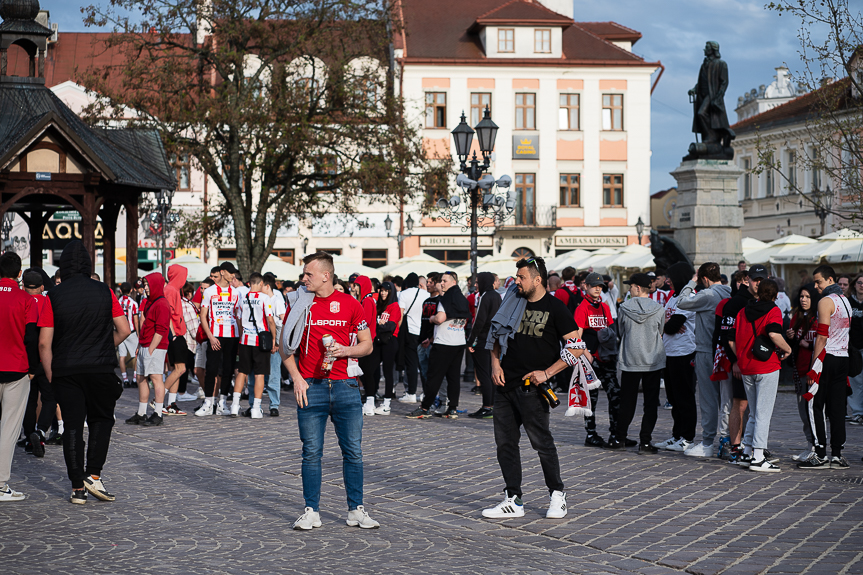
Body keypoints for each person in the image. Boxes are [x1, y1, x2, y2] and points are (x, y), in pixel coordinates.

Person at [280, 252, 378, 530]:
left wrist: (344, 351)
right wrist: (297, 379)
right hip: (312, 386)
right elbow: (284, 347)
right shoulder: (300, 304)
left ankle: (355, 510)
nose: (303, 278)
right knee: (311, 452)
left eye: (308, 274)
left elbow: (367, 344)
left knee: (353, 451)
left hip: (345, 386)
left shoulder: (350, 304)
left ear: (326, 275)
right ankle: (311, 511)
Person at [481, 256, 580, 519]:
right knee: (505, 444)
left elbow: (577, 347)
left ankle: (557, 494)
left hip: (533, 388)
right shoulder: (513, 302)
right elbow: (496, 336)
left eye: (522, 277)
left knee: (542, 443)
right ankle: (513, 499)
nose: (516, 282)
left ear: (538, 280)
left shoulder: (556, 308)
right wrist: (495, 365)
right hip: (505, 384)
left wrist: (547, 373)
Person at [39, 240, 131, 504]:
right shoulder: (105, 291)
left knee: (72, 426)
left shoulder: (54, 296)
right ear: (89, 263)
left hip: (66, 369)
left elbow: (44, 342)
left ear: (63, 265)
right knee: (102, 420)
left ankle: (77, 487)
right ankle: (94, 474)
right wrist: (104, 346)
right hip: (100, 367)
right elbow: (124, 330)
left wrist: (50, 373)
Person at [727, 279, 791, 472]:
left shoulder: (742, 311)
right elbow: (773, 334)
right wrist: (787, 349)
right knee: (763, 413)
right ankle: (758, 456)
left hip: (746, 366)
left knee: (754, 412)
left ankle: (747, 452)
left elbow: (730, 338)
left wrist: (739, 355)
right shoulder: (773, 310)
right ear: (775, 295)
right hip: (766, 365)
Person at [798, 265, 851, 470]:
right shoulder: (845, 300)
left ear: (830, 280)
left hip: (826, 357)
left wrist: (813, 367)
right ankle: (837, 454)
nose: (816, 285)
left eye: (819, 281)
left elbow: (821, 336)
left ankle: (820, 453)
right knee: (837, 407)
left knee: (814, 404)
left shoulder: (825, 301)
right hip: (842, 358)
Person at [676, 262, 732, 457]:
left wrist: (691, 283)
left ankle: (708, 442)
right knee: (726, 400)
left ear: (705, 279)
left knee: (708, 399)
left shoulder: (708, 295)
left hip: (707, 350)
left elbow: (681, 302)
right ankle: (728, 441)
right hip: (725, 351)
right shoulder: (729, 292)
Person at [0, 252, 38, 501]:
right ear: (18, 273)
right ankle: (1, 485)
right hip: (16, 367)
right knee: (9, 429)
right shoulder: (26, 299)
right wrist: (33, 368)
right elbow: (32, 338)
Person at [406, 271, 468, 419]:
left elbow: (440, 318)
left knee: (434, 377)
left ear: (454, 282)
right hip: (458, 342)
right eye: (441, 281)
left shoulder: (445, 299)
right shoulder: (462, 299)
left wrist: (432, 318)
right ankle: (452, 408)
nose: (442, 283)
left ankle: (425, 407)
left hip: (444, 344)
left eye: (445, 281)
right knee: (453, 377)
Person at [617, 273, 666, 454]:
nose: (629, 289)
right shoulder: (658, 308)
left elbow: (621, 331)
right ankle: (645, 441)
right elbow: (660, 330)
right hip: (653, 360)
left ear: (638, 288)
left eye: (630, 286)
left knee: (627, 401)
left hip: (630, 358)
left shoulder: (624, 308)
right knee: (651, 403)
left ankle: (620, 437)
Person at [654, 262, 698, 453]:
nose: (668, 280)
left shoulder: (688, 297)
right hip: (670, 352)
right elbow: (661, 323)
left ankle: (687, 438)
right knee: (673, 398)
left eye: (670, 276)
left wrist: (665, 323)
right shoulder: (672, 297)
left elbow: (671, 326)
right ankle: (677, 435)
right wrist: (665, 323)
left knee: (685, 397)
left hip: (685, 352)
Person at [574, 272, 620, 448]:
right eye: (594, 286)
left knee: (615, 394)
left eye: (600, 287)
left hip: (606, 359)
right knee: (591, 398)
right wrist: (587, 355)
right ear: (586, 286)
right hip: (590, 360)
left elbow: (609, 329)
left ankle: (615, 434)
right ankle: (591, 434)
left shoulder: (604, 306)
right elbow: (577, 336)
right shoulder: (582, 307)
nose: (597, 289)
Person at [126, 272, 171, 427]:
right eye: (144, 285)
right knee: (141, 378)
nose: (145, 288)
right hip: (145, 344)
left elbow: (161, 329)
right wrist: (140, 345)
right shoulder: (150, 302)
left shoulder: (162, 303)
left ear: (156, 285)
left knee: (156, 378)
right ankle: (141, 413)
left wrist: (151, 348)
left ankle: (158, 413)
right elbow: (145, 325)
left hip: (155, 346)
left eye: (147, 284)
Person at [231, 272, 278, 418]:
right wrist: (274, 339)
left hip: (245, 339)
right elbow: (270, 320)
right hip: (260, 341)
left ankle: (234, 405)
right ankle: (256, 408)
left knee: (242, 372)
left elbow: (238, 319)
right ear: (260, 283)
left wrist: (241, 334)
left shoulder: (242, 298)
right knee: (259, 374)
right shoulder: (265, 298)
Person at [196, 262, 241, 416]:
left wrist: (240, 337)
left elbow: (239, 316)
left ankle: (222, 403)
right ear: (222, 272)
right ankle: (208, 403)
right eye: (230, 272)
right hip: (215, 335)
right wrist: (211, 336)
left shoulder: (236, 293)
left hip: (232, 335)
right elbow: (203, 316)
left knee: (228, 370)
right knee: (211, 369)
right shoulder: (209, 291)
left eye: (234, 273)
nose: (232, 275)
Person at [20, 271, 55, 459]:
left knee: (30, 401)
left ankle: (27, 438)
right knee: (50, 398)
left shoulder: (21, 301)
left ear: (24, 285)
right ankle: (41, 432)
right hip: (46, 358)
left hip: (25, 360)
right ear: (42, 287)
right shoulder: (47, 301)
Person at [787, 284, 820, 462]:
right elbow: (793, 345)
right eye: (801, 296)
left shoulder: (818, 317)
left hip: (813, 370)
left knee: (812, 411)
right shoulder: (796, 317)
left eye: (807, 297)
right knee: (802, 411)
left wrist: (807, 345)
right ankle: (810, 444)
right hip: (798, 369)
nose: (803, 300)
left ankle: (815, 447)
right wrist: (790, 337)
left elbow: (824, 342)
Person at [363, 281, 401, 415]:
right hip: (378, 340)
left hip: (389, 341)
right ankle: (370, 401)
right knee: (371, 370)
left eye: (386, 290)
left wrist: (378, 323)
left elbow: (391, 326)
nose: (383, 293)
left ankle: (386, 403)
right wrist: (379, 323)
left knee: (387, 372)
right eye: (382, 290)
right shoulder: (377, 304)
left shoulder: (394, 306)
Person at [468, 272, 501, 419]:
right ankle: (492, 405)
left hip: (483, 339)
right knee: (491, 373)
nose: (475, 285)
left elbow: (479, 320)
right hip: (494, 339)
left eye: (477, 282)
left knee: (484, 374)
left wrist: (471, 340)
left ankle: (487, 406)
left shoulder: (485, 296)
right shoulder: (496, 296)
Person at [162, 265, 189, 416]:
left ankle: (171, 404)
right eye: (184, 275)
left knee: (176, 371)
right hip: (175, 334)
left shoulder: (173, 289)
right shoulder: (171, 290)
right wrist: (173, 334)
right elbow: (168, 313)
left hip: (176, 333)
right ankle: (159, 398)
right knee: (181, 369)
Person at [396, 273, 428, 404]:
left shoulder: (403, 294)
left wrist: (396, 332)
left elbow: (400, 315)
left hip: (410, 331)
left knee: (411, 364)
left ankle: (411, 393)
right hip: (424, 331)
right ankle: (426, 392)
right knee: (425, 364)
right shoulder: (426, 294)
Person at [262, 275, 286, 416]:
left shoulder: (277, 301)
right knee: (260, 373)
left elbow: (282, 322)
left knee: (273, 374)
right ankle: (256, 404)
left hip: (274, 340)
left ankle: (274, 404)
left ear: (267, 286)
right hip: (263, 338)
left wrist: (277, 342)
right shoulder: (262, 299)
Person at [415, 272, 441, 401]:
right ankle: (427, 398)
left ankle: (436, 398)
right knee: (424, 373)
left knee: (433, 373)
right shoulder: (426, 301)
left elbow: (439, 323)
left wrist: (430, 339)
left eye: (431, 282)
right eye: (428, 282)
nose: (428, 285)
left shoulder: (440, 301)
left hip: (433, 342)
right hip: (422, 341)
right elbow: (423, 322)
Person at [844, 273, 863, 426]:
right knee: (855, 381)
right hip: (853, 347)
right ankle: (857, 413)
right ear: (854, 285)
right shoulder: (848, 302)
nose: (862, 285)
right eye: (859, 282)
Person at [117, 282, 140, 387]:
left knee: (122, 356)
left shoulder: (117, 302)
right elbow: (136, 320)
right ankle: (135, 379)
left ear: (120, 291)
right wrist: (139, 333)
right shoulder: (133, 303)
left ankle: (125, 379)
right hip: (131, 331)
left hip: (119, 331)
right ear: (131, 290)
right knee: (136, 355)